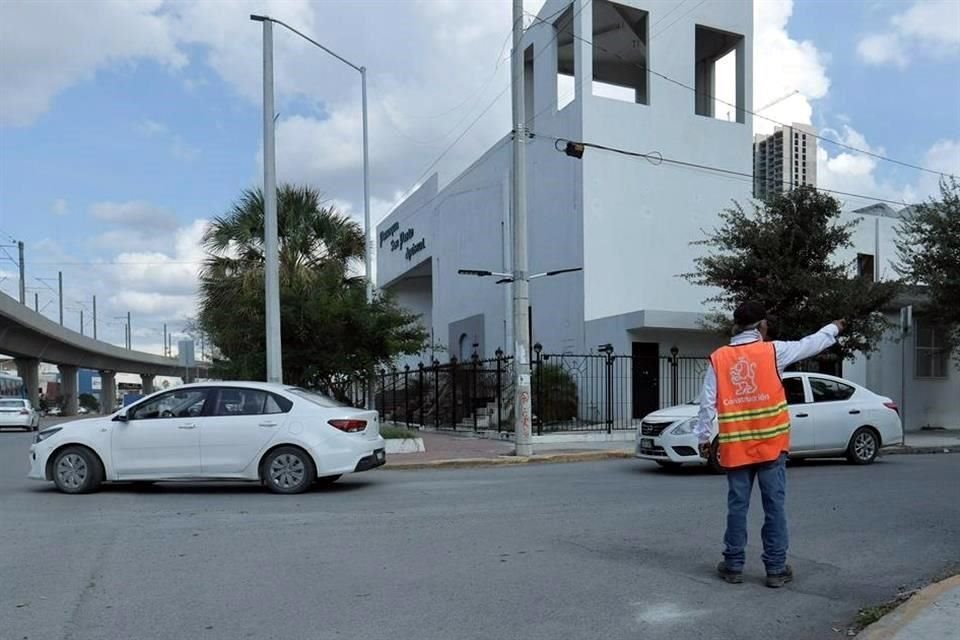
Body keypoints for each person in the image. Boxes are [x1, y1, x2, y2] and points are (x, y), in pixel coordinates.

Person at [695, 300, 845, 588]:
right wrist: (833, 328)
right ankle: (775, 569)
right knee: (774, 506)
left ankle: (734, 565)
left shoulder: (719, 358)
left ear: (736, 326)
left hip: (736, 448)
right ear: (762, 326)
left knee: (737, 507)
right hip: (771, 446)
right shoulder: (773, 351)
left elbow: (707, 403)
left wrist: (703, 438)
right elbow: (811, 344)